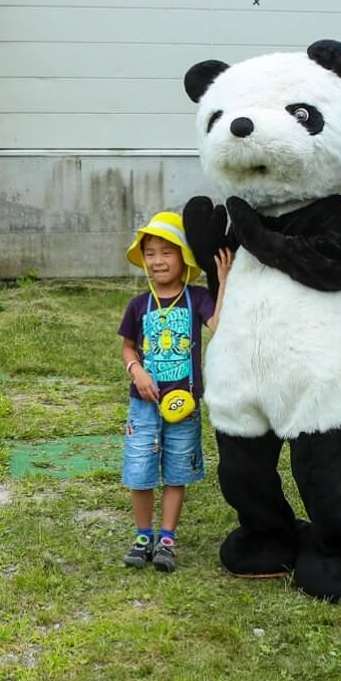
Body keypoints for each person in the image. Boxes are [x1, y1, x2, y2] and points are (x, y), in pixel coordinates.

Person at [117, 212, 230, 573]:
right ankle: (142, 535)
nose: (158, 261)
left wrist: (223, 283)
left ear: (183, 257)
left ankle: (167, 538)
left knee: (176, 472)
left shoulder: (196, 298)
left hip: (184, 407)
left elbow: (219, 326)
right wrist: (137, 372)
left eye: (167, 252)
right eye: (150, 253)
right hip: (144, 407)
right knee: (140, 471)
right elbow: (128, 348)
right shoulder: (138, 305)